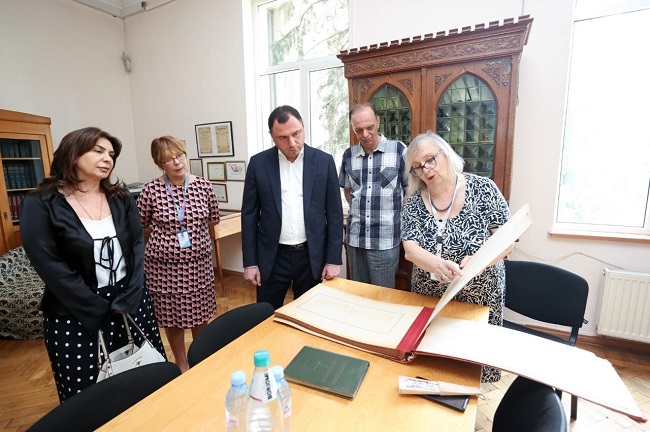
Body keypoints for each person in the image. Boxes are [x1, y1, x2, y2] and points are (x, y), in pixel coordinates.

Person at [20, 127, 166, 402]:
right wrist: (95, 307)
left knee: (144, 380)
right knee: (89, 397)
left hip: (130, 302)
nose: (107, 158)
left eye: (111, 154)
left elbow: (137, 245)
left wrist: (132, 293)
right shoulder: (41, 203)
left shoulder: (120, 197)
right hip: (74, 311)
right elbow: (48, 263)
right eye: (98, 151)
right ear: (73, 154)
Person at [400, 131, 512, 383]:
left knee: (473, 367)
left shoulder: (483, 188)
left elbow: (508, 241)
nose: (426, 169)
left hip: (480, 296)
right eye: (418, 166)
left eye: (430, 159)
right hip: (432, 296)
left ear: (446, 154)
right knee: (435, 366)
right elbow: (410, 249)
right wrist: (437, 264)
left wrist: (480, 260)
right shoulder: (414, 201)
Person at [242, 105, 343, 309]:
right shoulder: (258, 164)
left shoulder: (324, 161)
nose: (292, 143)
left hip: (311, 256)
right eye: (283, 137)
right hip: (272, 257)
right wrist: (250, 262)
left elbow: (334, 213)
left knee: (309, 312)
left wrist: (333, 259)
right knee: (266, 314)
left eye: (296, 134)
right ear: (272, 136)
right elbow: (249, 216)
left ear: (303, 126)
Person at [137, 136, 220, 372]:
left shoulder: (203, 186)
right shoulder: (151, 190)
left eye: (179, 155)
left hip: (198, 265)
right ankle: (181, 362)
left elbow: (213, 220)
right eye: (168, 159)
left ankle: (200, 356)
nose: (177, 162)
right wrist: (166, 243)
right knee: (171, 317)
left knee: (200, 314)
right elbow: (140, 225)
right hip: (163, 269)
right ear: (159, 164)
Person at [338, 102, 408, 288]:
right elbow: (348, 191)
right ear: (352, 127)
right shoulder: (348, 155)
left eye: (369, 127)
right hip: (355, 239)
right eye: (358, 130)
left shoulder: (399, 150)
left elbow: (410, 189)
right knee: (359, 293)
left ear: (378, 121)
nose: (365, 134)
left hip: (385, 240)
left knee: (383, 296)